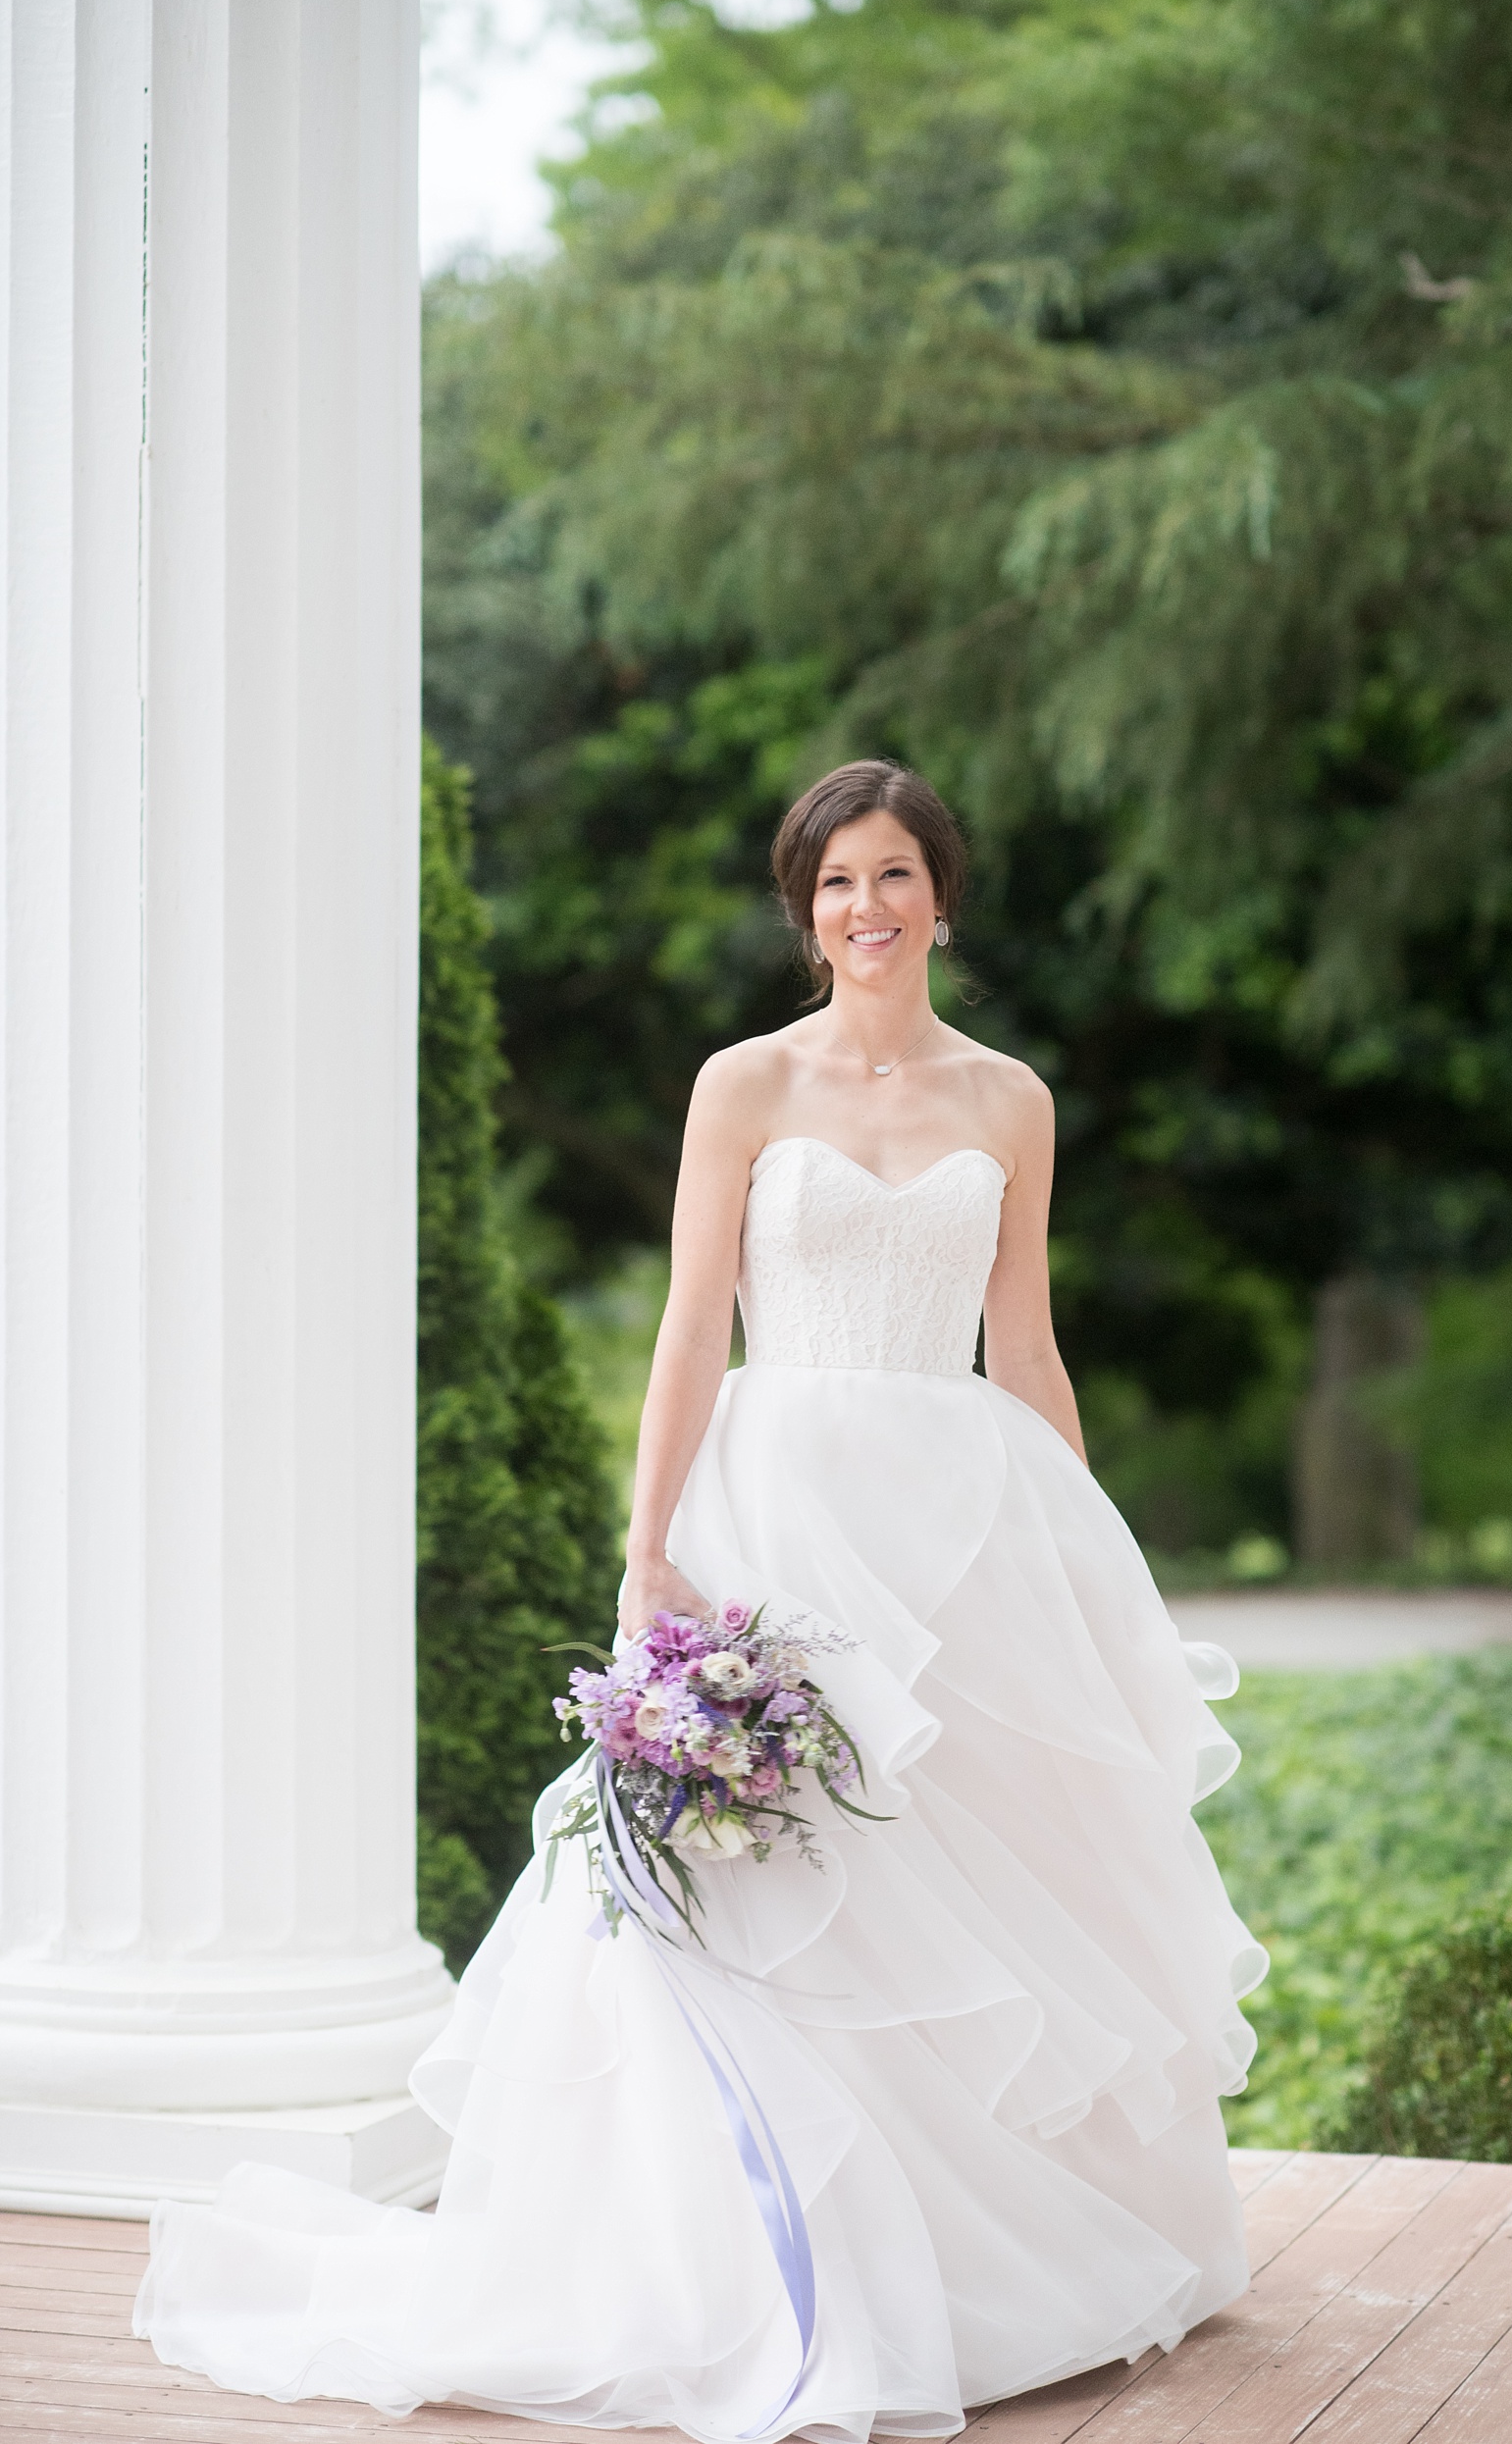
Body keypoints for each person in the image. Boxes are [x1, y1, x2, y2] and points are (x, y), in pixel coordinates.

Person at [136, 760, 1266, 2440]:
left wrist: (1083, 1555)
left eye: (893, 876)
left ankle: (982, 2264)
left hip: (964, 1513)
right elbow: (688, 1331)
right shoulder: (741, 1084)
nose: (865, 909)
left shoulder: (1010, 1100)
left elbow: (1022, 1341)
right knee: (770, 1884)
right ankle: (768, 2267)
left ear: (941, 897)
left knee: (968, 1870)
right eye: (833, 885)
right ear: (804, 912)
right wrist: (646, 1542)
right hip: (781, 1503)